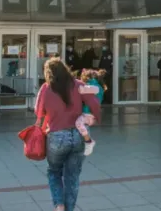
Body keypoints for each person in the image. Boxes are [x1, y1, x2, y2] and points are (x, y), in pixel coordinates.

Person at [36, 58, 101, 211]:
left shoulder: (46, 88)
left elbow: (38, 112)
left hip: (56, 137)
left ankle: (59, 205)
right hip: (78, 136)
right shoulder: (78, 85)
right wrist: (95, 119)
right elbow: (94, 103)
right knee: (72, 177)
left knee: (54, 171)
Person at [75, 69, 106, 156]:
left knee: (78, 123)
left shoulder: (93, 85)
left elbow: (82, 90)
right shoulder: (98, 86)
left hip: (88, 114)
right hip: (89, 114)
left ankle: (89, 141)